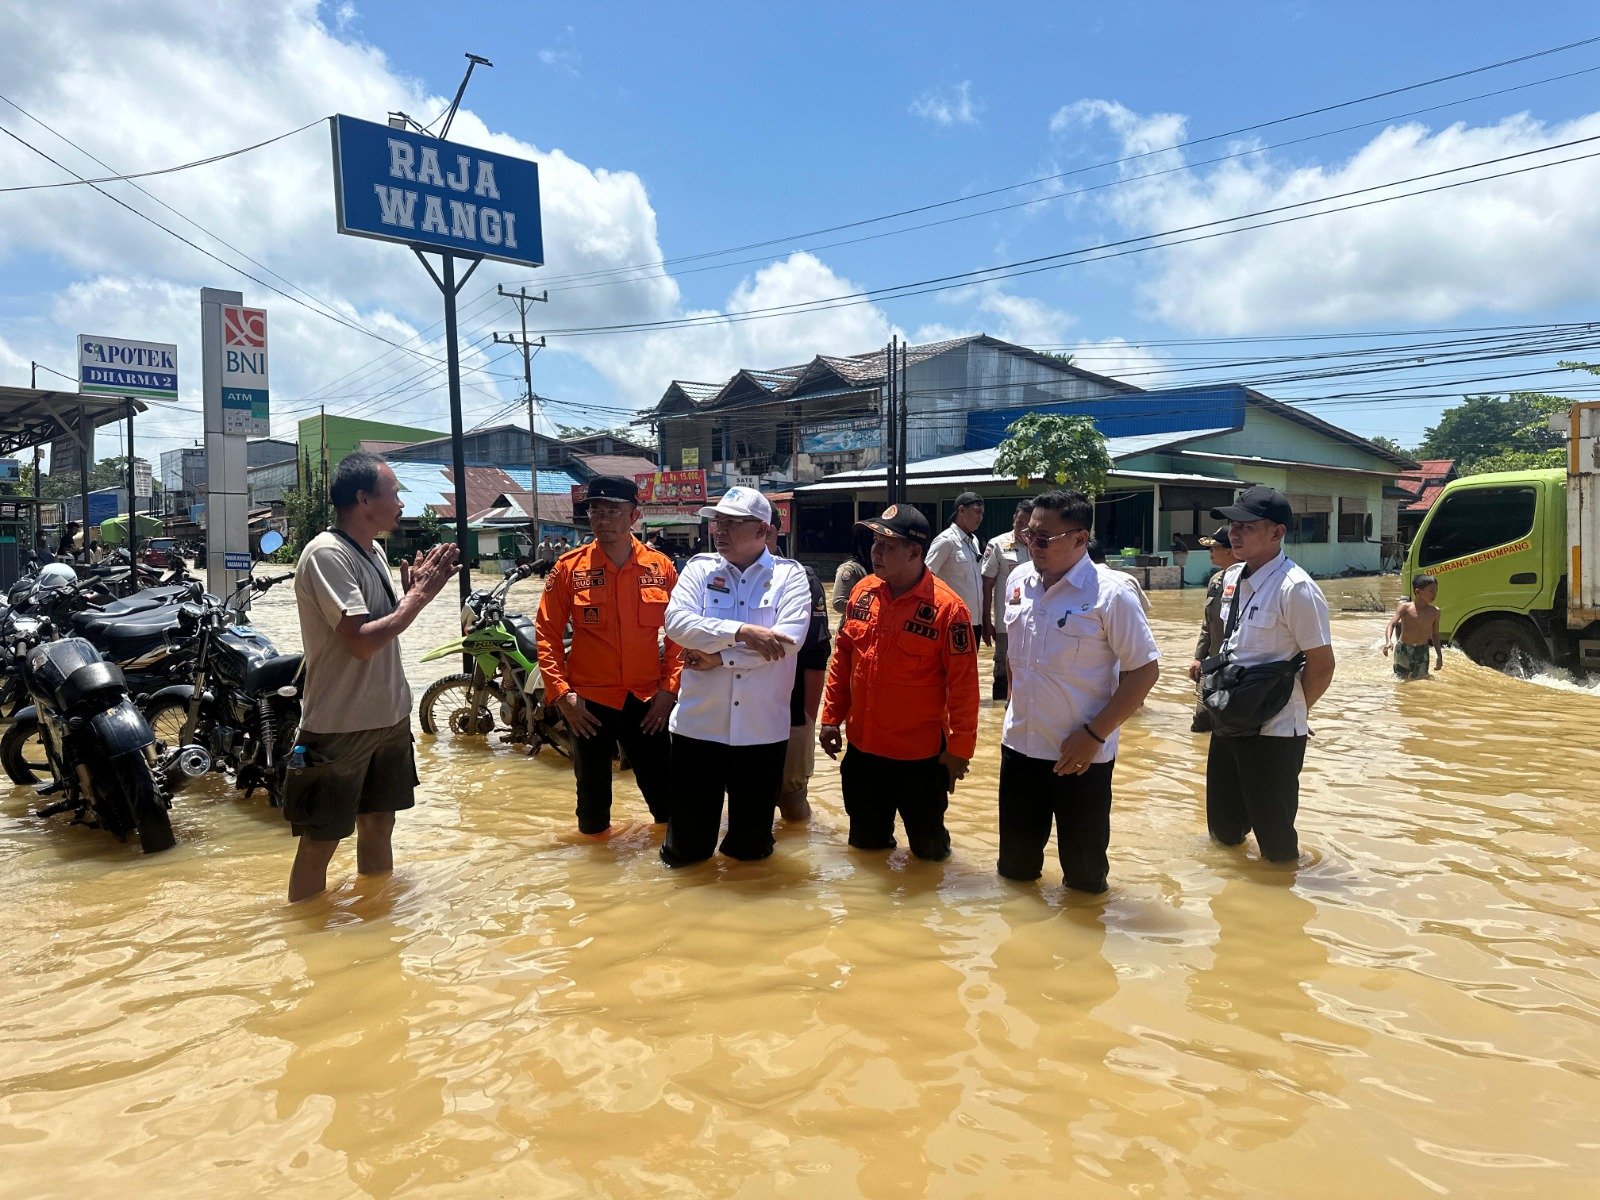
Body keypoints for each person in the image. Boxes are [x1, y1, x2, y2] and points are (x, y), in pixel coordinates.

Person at [285, 452, 461, 903]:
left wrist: (407, 597)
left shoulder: (375, 551)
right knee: (322, 839)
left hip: (388, 716)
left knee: (381, 823)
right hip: (341, 724)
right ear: (364, 499)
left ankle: (377, 923)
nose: (401, 502)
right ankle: (307, 943)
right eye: (394, 492)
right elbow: (360, 642)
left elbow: (382, 625)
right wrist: (417, 599)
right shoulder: (326, 554)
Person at [996, 491, 1160, 893]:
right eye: (1028, 535)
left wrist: (1093, 735)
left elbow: (1144, 671)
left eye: (1044, 538)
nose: (1032, 544)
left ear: (1080, 538)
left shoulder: (1112, 592)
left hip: (1081, 756)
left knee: (1085, 882)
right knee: (1015, 875)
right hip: (1020, 749)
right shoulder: (1018, 581)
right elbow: (1018, 664)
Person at [660, 487, 812, 866]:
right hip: (699, 729)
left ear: (762, 530)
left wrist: (721, 658)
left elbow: (787, 642)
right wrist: (743, 634)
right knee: (685, 850)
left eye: (731, 523)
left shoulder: (790, 577)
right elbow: (677, 624)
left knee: (751, 851)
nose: (719, 530)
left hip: (761, 734)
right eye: (717, 521)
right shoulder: (698, 569)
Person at [819, 504, 979, 862]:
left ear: (915, 551)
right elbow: (842, 659)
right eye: (875, 542)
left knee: (929, 854)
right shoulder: (863, 591)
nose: (876, 551)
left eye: (888, 545)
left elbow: (965, 687)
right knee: (865, 853)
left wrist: (959, 752)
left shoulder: (949, 610)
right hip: (863, 752)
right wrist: (831, 718)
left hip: (919, 760)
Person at [535, 475, 682, 836]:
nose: (602, 518)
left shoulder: (660, 567)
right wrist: (562, 695)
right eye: (595, 510)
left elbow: (680, 636)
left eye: (613, 510)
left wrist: (669, 690)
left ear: (634, 515)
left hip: (647, 702)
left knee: (667, 803)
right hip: (588, 705)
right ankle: (594, 878)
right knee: (592, 803)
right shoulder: (569, 568)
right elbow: (547, 634)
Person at [1204, 486, 1336, 864]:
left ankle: (1281, 905)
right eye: (1233, 525)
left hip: (1273, 733)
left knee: (1275, 841)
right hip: (1229, 719)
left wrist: (1293, 709)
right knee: (1223, 833)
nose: (1235, 533)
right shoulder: (1231, 580)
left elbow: (1322, 664)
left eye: (1247, 525)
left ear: (1277, 533)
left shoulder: (1296, 589)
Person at [980, 499, 1034, 701]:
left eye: (1028, 525)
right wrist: (987, 621)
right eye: (1019, 523)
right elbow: (986, 586)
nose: (1023, 529)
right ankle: (1000, 718)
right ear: (1014, 519)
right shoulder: (998, 545)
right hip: (1006, 624)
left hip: (1035, 623)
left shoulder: (1042, 547)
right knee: (1002, 671)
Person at [1189, 527, 1241, 732]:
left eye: (1214, 548)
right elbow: (1207, 625)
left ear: (1229, 550)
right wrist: (1198, 657)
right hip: (1212, 664)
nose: (1210, 553)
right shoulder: (1216, 581)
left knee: (1230, 723)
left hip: (1237, 667)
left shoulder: (1248, 580)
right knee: (1202, 720)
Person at [925, 491, 988, 645]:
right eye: (977, 512)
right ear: (961, 510)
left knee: (970, 668)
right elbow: (926, 578)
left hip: (974, 622)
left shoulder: (974, 542)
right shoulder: (946, 541)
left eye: (982, 513)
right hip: (953, 622)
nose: (980, 517)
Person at [1384, 574, 1443, 680]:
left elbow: (1435, 635)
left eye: (1436, 591)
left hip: (1422, 651)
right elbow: (1391, 624)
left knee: (1422, 679)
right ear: (1418, 592)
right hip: (1404, 649)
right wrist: (1388, 641)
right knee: (1401, 679)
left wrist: (1439, 656)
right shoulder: (1405, 608)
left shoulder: (1435, 611)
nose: (1434, 594)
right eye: (1431, 591)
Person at [831, 528, 872, 616]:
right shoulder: (850, 568)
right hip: (856, 624)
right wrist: (870, 608)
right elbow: (839, 603)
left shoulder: (876, 566)